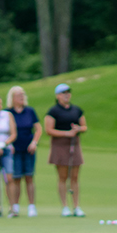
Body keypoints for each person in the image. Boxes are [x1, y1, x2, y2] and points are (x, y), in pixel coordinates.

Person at [43, 84, 88, 217]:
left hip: (74, 144)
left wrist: (78, 129)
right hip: (60, 145)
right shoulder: (53, 111)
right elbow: (48, 130)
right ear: (57, 96)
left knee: (74, 177)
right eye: (63, 93)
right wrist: (66, 133)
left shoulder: (76, 110)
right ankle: (65, 206)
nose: (66, 94)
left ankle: (76, 206)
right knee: (63, 177)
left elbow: (84, 126)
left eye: (68, 92)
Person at [5, 86, 44, 217]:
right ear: (12, 98)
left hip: (29, 148)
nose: (22, 97)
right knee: (15, 178)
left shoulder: (29, 111)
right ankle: (15, 206)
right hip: (13, 149)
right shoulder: (7, 112)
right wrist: (8, 144)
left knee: (29, 176)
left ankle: (31, 206)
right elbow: (4, 130)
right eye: (18, 95)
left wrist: (34, 142)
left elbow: (38, 129)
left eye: (23, 95)